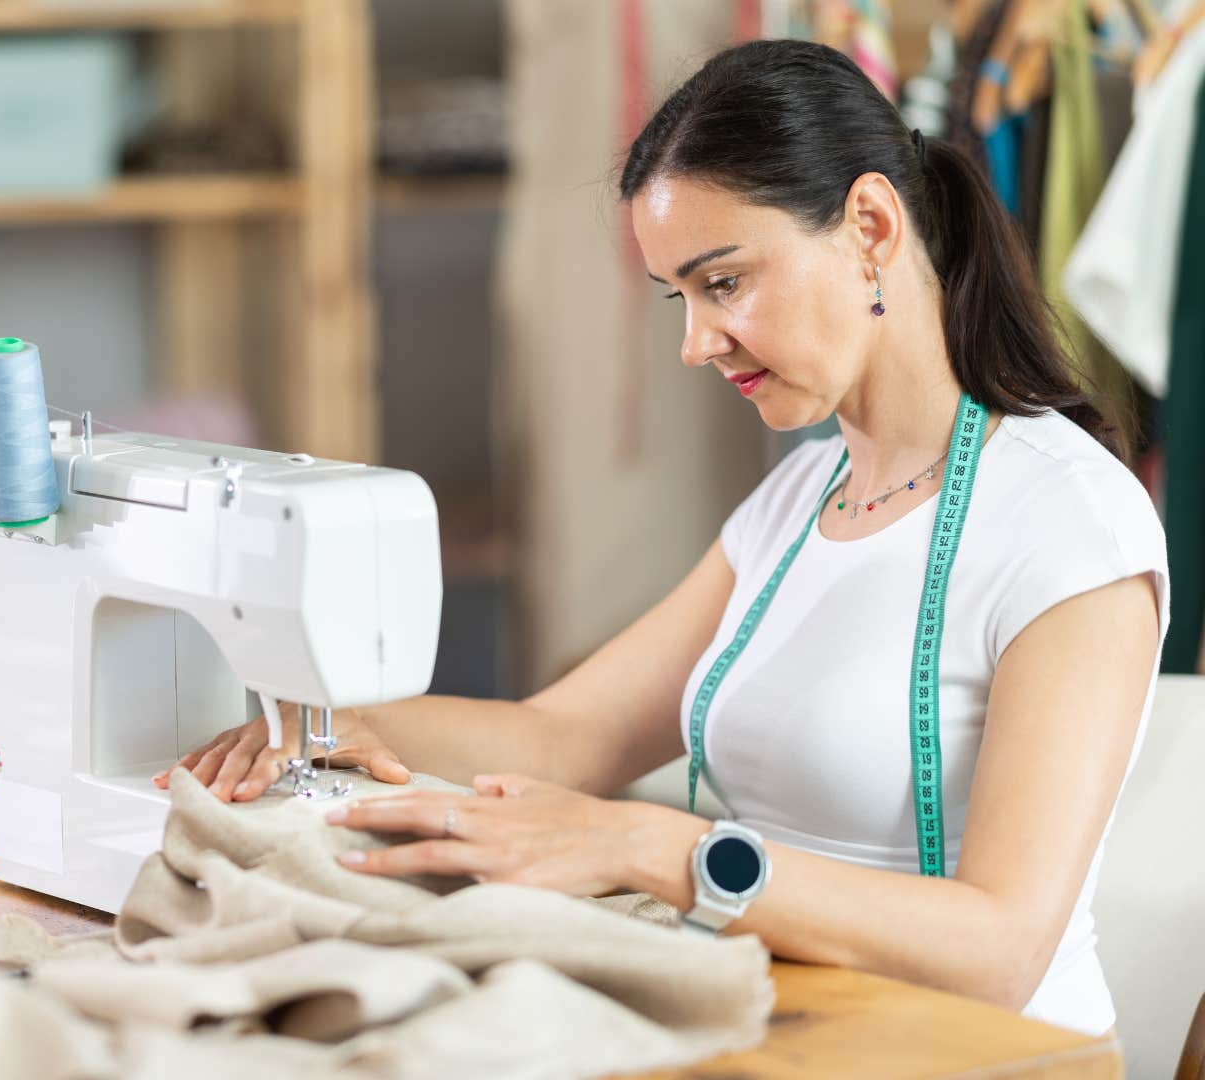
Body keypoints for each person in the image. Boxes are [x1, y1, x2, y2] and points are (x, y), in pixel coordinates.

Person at [155, 39, 1166, 1038]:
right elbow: (565, 739)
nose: (694, 344)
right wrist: (342, 725)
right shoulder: (800, 502)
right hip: (797, 1028)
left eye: (723, 283)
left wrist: (661, 849)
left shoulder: (1067, 521)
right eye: (679, 297)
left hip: (990, 1059)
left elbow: (1001, 947)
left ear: (869, 225)